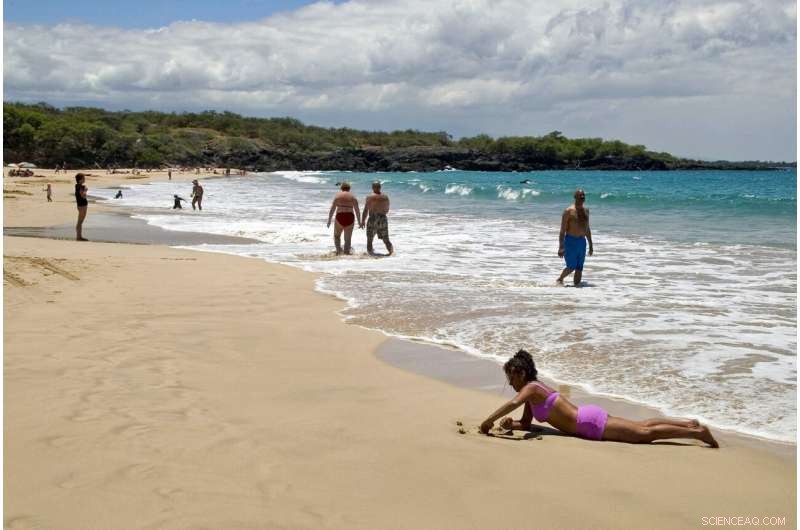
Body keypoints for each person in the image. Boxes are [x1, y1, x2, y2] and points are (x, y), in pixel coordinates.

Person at [480, 350, 718, 447]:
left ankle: (697, 434)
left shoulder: (531, 388)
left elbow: (512, 403)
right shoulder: (533, 396)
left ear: (521, 374)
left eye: (511, 378)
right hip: (589, 419)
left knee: (646, 435)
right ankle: (689, 424)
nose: (510, 384)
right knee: (643, 426)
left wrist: (487, 422)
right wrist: (512, 424)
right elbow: (526, 422)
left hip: (590, 424)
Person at [557, 188, 593, 286]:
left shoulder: (586, 210)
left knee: (579, 267)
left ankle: (577, 291)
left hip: (582, 242)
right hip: (570, 241)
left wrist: (590, 245)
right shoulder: (568, 211)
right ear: (575, 197)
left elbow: (587, 229)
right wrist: (561, 247)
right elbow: (562, 231)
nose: (582, 197)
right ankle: (560, 279)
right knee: (571, 266)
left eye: (583, 196)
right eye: (580, 196)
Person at [326, 182, 361, 255]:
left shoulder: (337, 196)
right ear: (349, 188)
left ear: (341, 188)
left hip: (340, 217)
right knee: (347, 239)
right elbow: (357, 210)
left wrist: (329, 220)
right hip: (350, 217)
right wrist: (359, 222)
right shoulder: (353, 197)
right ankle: (346, 254)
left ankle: (339, 251)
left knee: (337, 236)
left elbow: (332, 209)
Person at [361, 181, 393, 255]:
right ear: (380, 187)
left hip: (373, 218)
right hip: (383, 218)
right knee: (386, 239)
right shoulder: (385, 197)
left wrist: (363, 221)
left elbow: (366, 210)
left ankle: (370, 254)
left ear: (373, 187)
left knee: (369, 239)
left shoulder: (370, 197)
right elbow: (387, 209)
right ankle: (392, 253)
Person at [74, 173, 89, 241]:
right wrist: (85, 190)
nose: (84, 179)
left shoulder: (78, 186)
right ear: (80, 179)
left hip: (82, 205)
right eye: (83, 178)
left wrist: (84, 188)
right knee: (80, 222)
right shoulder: (80, 187)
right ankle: (78, 237)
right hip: (82, 206)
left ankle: (79, 236)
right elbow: (83, 196)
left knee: (80, 222)